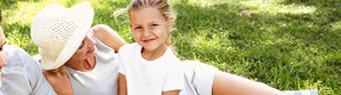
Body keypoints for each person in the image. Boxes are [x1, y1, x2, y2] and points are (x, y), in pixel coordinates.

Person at [116, 0, 284, 95]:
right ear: (131, 27)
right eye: (138, 27)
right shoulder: (126, 53)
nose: (146, 34)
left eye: (153, 25)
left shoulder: (172, 66)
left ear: (169, 24)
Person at [30, 2, 127, 95]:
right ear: (65, 55)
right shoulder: (60, 80)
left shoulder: (101, 34)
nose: (93, 42)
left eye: (87, 33)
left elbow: (136, 56)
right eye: (81, 44)